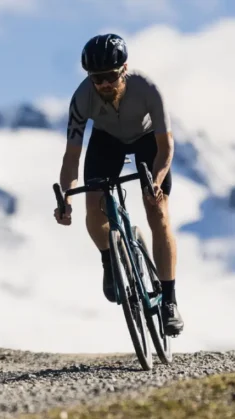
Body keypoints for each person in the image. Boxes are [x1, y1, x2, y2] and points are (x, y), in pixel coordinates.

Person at [54, 33, 184, 336]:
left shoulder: (147, 89)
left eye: (110, 77)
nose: (104, 85)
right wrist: (65, 200)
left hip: (147, 142)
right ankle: (110, 260)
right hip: (107, 142)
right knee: (93, 206)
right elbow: (71, 157)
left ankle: (170, 302)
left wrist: (157, 181)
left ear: (124, 70)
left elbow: (166, 148)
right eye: (97, 79)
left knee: (158, 213)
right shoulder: (81, 98)